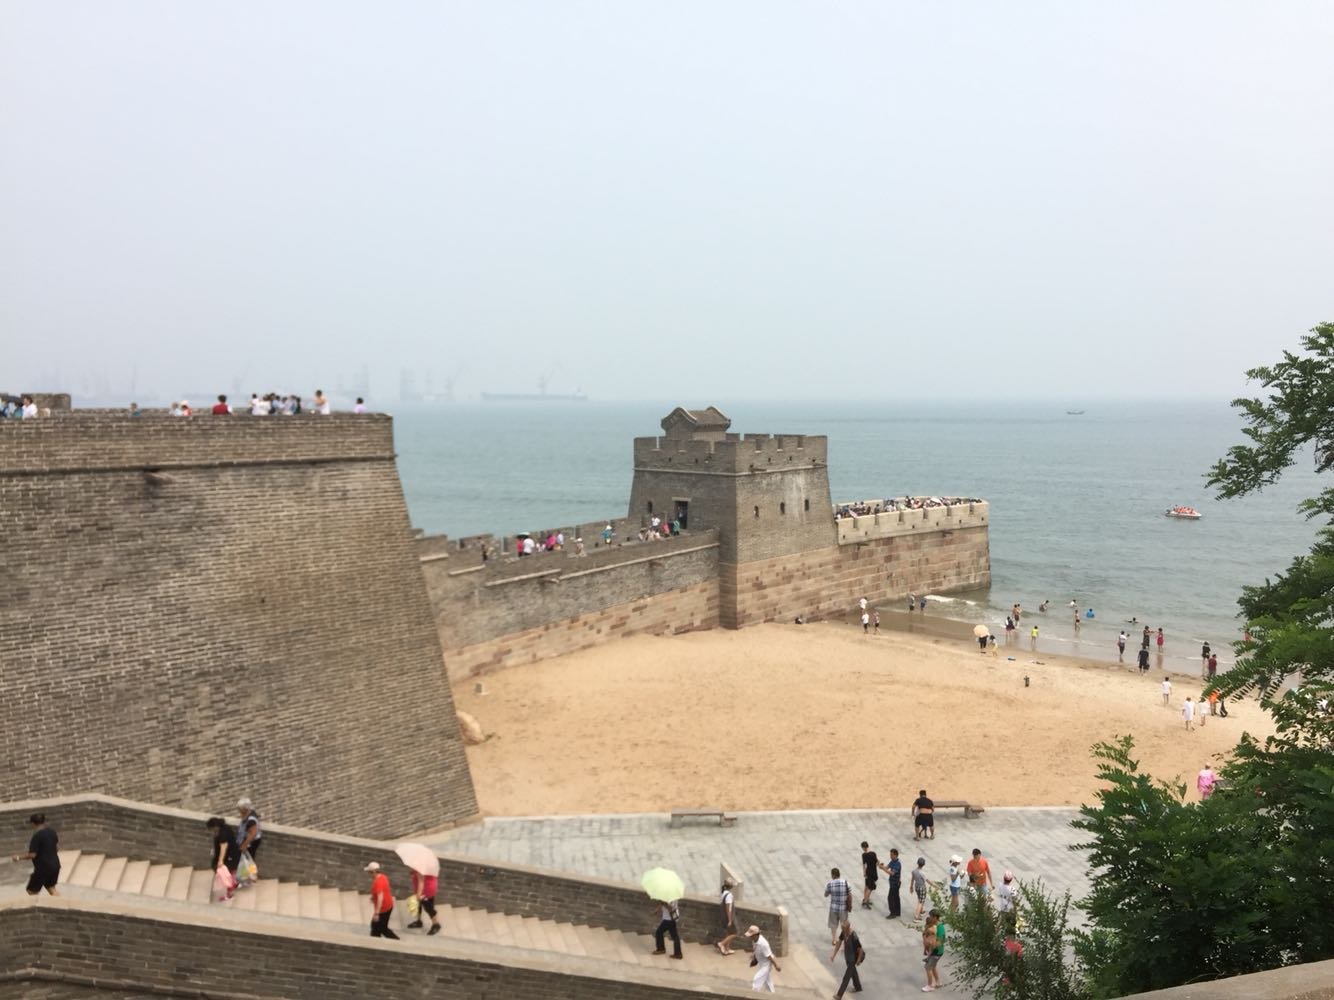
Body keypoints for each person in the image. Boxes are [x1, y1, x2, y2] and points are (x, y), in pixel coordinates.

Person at [13, 813, 60, 896]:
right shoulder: (52, 832)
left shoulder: (37, 837)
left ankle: (36, 904)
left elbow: (32, 855)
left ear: (32, 823)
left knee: (31, 891)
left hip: (43, 869)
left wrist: (18, 857)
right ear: (44, 821)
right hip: (55, 865)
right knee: (51, 888)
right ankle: (61, 903)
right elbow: (57, 848)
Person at [828, 917, 864, 999]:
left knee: (846, 977)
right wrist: (833, 955)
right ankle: (858, 987)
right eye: (842, 927)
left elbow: (860, 949)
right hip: (847, 957)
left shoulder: (853, 936)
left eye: (843, 927)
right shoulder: (843, 932)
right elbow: (839, 943)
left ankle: (839, 995)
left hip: (853, 959)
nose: (842, 929)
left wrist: (858, 960)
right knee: (853, 972)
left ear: (847, 927)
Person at [364, 862, 399, 938]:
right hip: (389, 906)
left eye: (369, 872)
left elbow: (380, 898)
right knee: (378, 927)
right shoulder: (383, 877)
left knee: (379, 928)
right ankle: (377, 940)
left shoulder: (378, 882)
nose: (369, 874)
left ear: (373, 872)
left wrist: (377, 913)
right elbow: (384, 890)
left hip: (383, 909)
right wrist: (373, 897)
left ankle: (396, 941)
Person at [744, 925, 781, 992]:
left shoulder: (763, 944)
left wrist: (776, 965)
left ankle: (754, 993)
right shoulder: (754, 940)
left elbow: (769, 955)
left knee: (757, 979)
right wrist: (754, 956)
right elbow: (756, 949)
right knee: (767, 981)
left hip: (766, 965)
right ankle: (772, 993)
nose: (749, 937)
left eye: (751, 935)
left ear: (756, 935)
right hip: (761, 964)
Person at [407, 866, 442, 935]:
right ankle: (419, 921)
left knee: (427, 907)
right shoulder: (428, 865)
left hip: (425, 890)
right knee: (422, 904)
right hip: (431, 886)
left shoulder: (421, 868)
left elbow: (421, 882)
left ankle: (436, 924)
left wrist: (418, 895)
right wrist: (414, 872)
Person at [824, 867, 852, 945]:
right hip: (843, 908)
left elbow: (825, 895)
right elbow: (850, 893)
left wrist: (831, 892)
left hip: (833, 908)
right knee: (844, 925)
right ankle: (845, 939)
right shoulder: (846, 883)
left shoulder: (830, 884)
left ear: (833, 875)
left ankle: (834, 940)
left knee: (833, 924)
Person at [922, 909, 945, 992]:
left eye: (931, 916)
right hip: (934, 951)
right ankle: (938, 982)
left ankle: (929, 985)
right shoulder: (934, 925)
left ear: (935, 917)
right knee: (933, 966)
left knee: (928, 967)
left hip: (937, 952)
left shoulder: (940, 928)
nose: (930, 918)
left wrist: (930, 945)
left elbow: (939, 942)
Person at [717, 878, 740, 955]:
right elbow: (728, 908)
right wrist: (730, 920)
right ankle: (721, 944)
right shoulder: (729, 895)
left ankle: (727, 948)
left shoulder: (723, 893)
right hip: (729, 917)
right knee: (735, 932)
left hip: (724, 916)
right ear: (731, 887)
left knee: (729, 932)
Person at [236, 798, 262, 865]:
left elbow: (252, 834)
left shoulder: (251, 820)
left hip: (250, 843)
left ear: (244, 809)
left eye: (240, 809)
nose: (239, 811)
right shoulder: (249, 813)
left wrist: (244, 845)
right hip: (247, 841)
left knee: (248, 861)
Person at [881, 848, 902, 919]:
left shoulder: (897, 864)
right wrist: (881, 866)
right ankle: (897, 912)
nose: (890, 856)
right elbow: (887, 867)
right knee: (896, 897)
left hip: (895, 884)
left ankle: (893, 913)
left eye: (892, 855)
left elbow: (892, 873)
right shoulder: (892, 861)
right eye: (890, 854)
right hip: (892, 883)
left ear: (896, 855)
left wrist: (884, 869)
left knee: (891, 898)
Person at [860, 841, 879, 909]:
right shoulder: (873, 853)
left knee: (867, 885)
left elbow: (864, 865)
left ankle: (865, 899)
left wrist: (864, 873)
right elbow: (877, 862)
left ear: (863, 847)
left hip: (868, 872)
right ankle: (865, 901)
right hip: (873, 872)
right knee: (870, 887)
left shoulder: (864, 855)